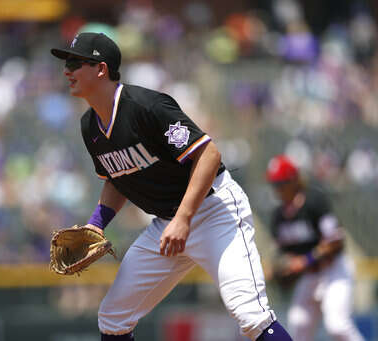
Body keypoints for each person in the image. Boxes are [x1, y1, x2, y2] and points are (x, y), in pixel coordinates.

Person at [50, 32, 292, 341]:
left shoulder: (147, 106)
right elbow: (117, 177)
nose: (66, 70)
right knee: (113, 317)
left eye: (75, 62)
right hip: (167, 226)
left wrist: (184, 218)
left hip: (214, 212)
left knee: (250, 316)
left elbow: (208, 154)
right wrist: (97, 225)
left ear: (101, 69)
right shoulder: (89, 127)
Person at [265, 154, 364, 341]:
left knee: (337, 326)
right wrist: (278, 268)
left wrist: (306, 260)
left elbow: (336, 241)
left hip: (334, 271)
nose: (277, 189)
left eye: (281, 183)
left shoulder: (314, 202)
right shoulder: (278, 216)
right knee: (298, 324)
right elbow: (281, 253)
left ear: (294, 180)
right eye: (274, 184)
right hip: (309, 276)